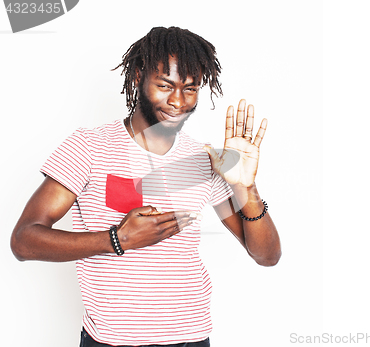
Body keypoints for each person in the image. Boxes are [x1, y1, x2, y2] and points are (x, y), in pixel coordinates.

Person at [11, 26, 281, 347]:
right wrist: (117, 239)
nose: (178, 101)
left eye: (190, 89)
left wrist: (247, 187)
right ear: (139, 75)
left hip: (191, 338)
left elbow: (266, 256)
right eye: (165, 85)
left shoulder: (206, 159)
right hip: (110, 341)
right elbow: (24, 241)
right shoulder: (89, 146)